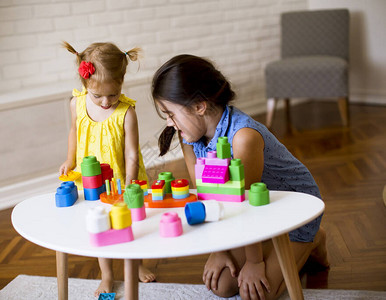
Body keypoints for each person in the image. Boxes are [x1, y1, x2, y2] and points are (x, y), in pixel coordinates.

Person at [151, 54, 329, 300]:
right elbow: (207, 197)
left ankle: (313, 239)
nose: (169, 124)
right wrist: (219, 250)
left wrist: (255, 262)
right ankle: (284, 250)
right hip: (252, 213)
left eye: (170, 114)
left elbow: (247, 204)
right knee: (222, 286)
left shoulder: (243, 137)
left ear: (199, 106)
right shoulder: (189, 139)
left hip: (290, 211)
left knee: (256, 294)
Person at [58, 41, 155, 297]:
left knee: (126, 222)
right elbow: (74, 132)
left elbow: (132, 152)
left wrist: (131, 181)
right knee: (100, 223)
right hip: (92, 180)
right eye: (97, 95)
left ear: (121, 83)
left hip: (123, 179)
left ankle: (136, 262)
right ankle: (107, 274)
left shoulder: (126, 113)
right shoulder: (76, 104)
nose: (105, 102)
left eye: (112, 94)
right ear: (85, 84)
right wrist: (70, 159)